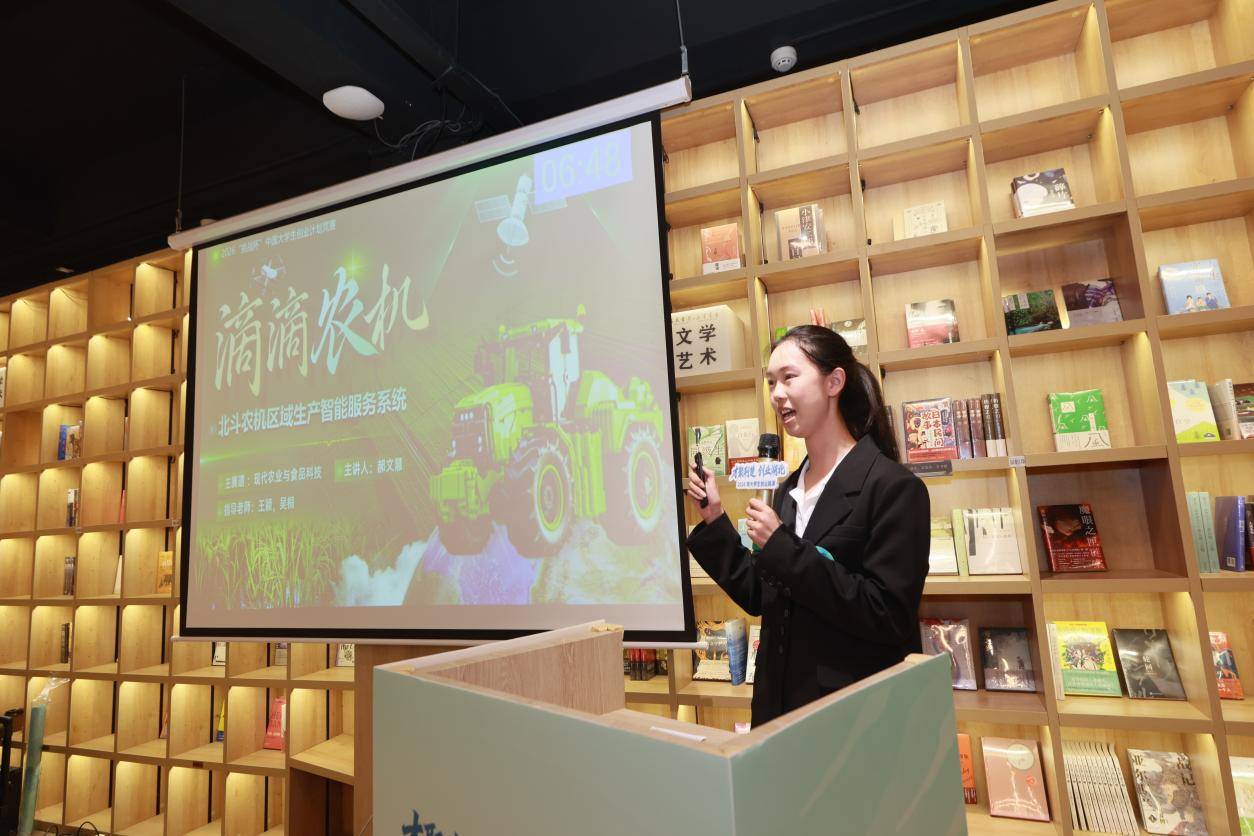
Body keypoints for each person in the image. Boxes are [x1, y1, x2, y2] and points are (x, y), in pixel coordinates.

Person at [685, 325, 930, 727]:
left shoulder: (894, 488)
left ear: (834, 382)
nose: (777, 394)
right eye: (771, 382)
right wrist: (714, 518)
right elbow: (761, 595)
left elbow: (886, 614)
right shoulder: (786, 491)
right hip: (777, 708)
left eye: (789, 377)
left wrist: (782, 546)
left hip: (848, 718)